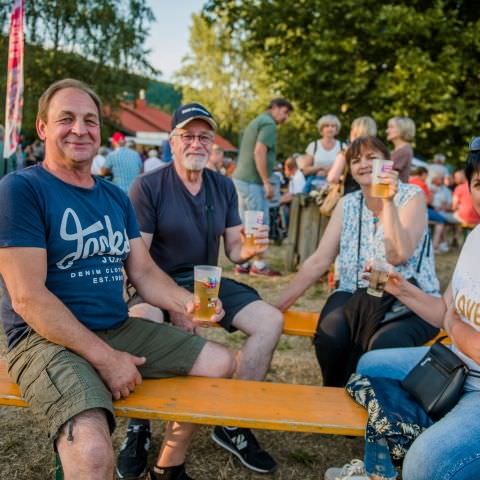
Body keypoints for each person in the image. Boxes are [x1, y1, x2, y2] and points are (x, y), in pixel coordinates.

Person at [0, 79, 237, 480]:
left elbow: (143, 272)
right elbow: (27, 299)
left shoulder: (114, 196)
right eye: (67, 119)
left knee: (219, 361)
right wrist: (106, 360)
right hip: (42, 339)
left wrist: (186, 303)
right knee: (93, 454)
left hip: (116, 326)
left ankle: (166, 464)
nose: (80, 129)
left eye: (90, 120)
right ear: (42, 128)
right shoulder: (21, 189)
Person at [117, 102, 283, 478]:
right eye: (188, 136)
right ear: (172, 142)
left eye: (204, 137)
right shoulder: (148, 186)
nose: (196, 143)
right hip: (157, 279)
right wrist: (175, 305)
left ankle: (232, 420)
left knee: (270, 321)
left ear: (213, 145)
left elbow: (235, 249)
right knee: (141, 319)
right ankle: (138, 427)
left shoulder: (222, 185)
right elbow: (137, 262)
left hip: (208, 280)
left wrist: (252, 250)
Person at [330, 137, 480, 480]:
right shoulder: (475, 239)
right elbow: (445, 308)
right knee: (371, 366)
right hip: (457, 365)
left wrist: (454, 326)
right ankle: (378, 473)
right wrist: (402, 289)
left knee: (425, 463)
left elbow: (451, 321)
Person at [274, 136, 440, 387]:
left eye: (371, 158)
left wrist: (387, 201)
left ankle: (373, 408)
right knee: (331, 334)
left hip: (408, 300)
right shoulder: (348, 203)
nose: (362, 164)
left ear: (388, 164)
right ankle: (335, 398)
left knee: (382, 348)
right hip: (353, 292)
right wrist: (278, 306)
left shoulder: (411, 196)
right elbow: (319, 260)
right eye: (355, 159)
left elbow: (398, 255)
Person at [232, 98, 293, 276]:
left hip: (241, 179)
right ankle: (258, 266)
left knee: (245, 223)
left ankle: (243, 264)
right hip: (253, 181)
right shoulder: (268, 124)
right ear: (274, 108)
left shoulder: (257, 120)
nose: (285, 118)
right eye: (285, 112)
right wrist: (266, 181)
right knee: (258, 223)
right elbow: (259, 151)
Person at [327, 116, 377, 194]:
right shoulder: (380, 152)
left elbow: (332, 178)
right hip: (375, 197)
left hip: (351, 197)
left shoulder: (346, 153)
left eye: (352, 129)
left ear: (355, 132)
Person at [386, 117, 415, 182]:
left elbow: (385, 172)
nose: (387, 131)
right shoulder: (400, 149)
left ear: (402, 129)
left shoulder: (404, 151)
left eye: (391, 127)